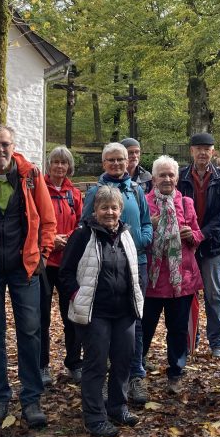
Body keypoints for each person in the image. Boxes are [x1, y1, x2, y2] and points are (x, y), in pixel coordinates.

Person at [0, 124, 56, 429]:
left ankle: (31, 398)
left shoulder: (30, 176)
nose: (0, 150)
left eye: (5, 144)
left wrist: (42, 254)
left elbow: (47, 219)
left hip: (25, 268)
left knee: (30, 333)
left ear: (13, 145)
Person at [61, 186, 144, 437]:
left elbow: (133, 272)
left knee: (122, 360)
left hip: (124, 312)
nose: (110, 212)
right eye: (104, 207)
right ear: (95, 210)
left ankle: (117, 407)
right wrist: (78, 294)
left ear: (120, 210)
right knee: (96, 364)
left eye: (114, 207)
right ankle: (94, 416)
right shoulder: (83, 236)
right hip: (94, 313)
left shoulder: (126, 235)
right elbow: (65, 274)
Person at [81, 143, 153, 403]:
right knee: (102, 326)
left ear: (128, 161)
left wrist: (141, 240)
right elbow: (85, 224)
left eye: (120, 159)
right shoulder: (96, 192)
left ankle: (135, 375)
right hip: (104, 265)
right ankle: (101, 380)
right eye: (110, 160)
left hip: (136, 263)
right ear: (103, 163)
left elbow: (146, 221)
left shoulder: (136, 189)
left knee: (135, 322)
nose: (116, 164)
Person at [142, 156, 203, 395]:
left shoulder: (186, 203)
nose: (166, 179)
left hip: (182, 280)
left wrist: (191, 235)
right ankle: (136, 370)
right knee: (145, 328)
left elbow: (198, 234)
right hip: (152, 280)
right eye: (162, 175)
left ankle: (176, 372)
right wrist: (151, 226)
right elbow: (136, 238)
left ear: (177, 178)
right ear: (154, 178)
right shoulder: (144, 203)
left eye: (170, 175)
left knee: (177, 329)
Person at [178, 132, 220, 359]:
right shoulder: (180, 176)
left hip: (211, 245)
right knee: (187, 293)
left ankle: (217, 339)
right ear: (191, 151)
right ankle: (191, 337)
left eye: (206, 149)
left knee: (213, 293)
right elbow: (176, 207)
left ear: (212, 151)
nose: (202, 152)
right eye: (198, 148)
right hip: (185, 244)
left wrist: (201, 235)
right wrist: (189, 234)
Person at [40, 145, 83, 385]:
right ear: (49, 165)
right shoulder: (39, 189)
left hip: (68, 263)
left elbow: (80, 223)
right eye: (55, 162)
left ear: (69, 167)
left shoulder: (73, 194)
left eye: (63, 163)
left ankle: (74, 363)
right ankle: (42, 365)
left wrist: (70, 240)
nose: (59, 167)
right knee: (41, 316)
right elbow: (33, 221)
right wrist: (50, 239)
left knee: (72, 315)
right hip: (45, 262)